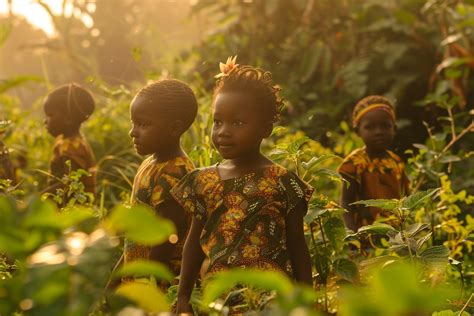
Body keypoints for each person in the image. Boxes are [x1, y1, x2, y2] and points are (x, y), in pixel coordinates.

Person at [171, 57, 314, 314]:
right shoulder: (203, 181)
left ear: (265, 129)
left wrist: (307, 302)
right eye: (218, 121)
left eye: (237, 123)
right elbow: (193, 245)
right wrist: (183, 297)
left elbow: (298, 248)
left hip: (272, 304)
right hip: (218, 302)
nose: (223, 131)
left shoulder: (283, 182)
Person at [124, 79, 197, 284]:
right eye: (133, 122)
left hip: (160, 287)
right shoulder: (151, 162)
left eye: (144, 124)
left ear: (174, 129)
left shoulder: (174, 175)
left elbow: (163, 245)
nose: (133, 131)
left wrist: (147, 289)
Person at [338, 95, 410, 232]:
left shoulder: (396, 162)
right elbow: (345, 202)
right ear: (357, 131)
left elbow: (406, 200)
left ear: (394, 128)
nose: (378, 132)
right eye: (370, 127)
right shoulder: (354, 163)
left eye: (385, 126)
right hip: (366, 236)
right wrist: (352, 234)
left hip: (396, 237)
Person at [43, 83, 96, 202]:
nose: (45, 121)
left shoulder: (73, 146)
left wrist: (40, 196)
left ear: (68, 119)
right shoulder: (64, 141)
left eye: (50, 115)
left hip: (75, 211)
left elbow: (71, 183)